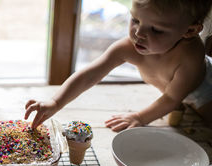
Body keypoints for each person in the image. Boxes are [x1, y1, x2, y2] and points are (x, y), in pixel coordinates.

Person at [25, 0, 212, 132]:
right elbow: (90, 74)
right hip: (175, 92)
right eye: (135, 20)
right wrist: (56, 102)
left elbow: (172, 98)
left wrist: (139, 117)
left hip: (204, 92)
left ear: (189, 31)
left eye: (156, 30)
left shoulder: (190, 56)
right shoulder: (127, 47)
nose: (139, 33)